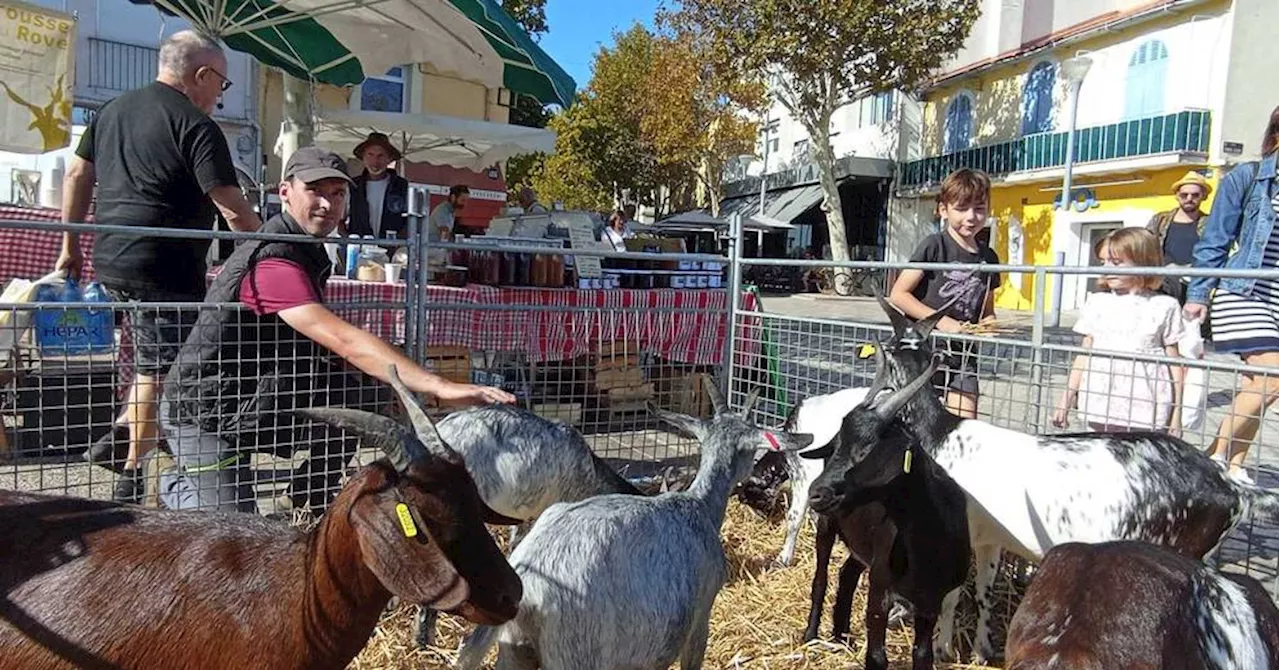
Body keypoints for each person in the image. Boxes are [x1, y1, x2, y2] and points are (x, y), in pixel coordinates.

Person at [156, 147, 515, 514]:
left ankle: (304, 497)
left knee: (365, 393)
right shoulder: (273, 259)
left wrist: (393, 383)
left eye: (338, 193)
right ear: (285, 192)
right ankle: (174, 487)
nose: (328, 204)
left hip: (257, 394)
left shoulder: (303, 248)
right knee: (236, 534)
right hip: (205, 412)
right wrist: (440, 385)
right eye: (316, 190)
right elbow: (343, 339)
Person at [56, 30, 263, 503]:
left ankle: (120, 438)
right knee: (161, 368)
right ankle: (132, 472)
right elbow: (231, 206)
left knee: (155, 355)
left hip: (112, 260)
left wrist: (70, 245)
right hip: (163, 267)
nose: (220, 97)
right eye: (222, 86)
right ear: (203, 75)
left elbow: (75, 174)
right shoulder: (195, 124)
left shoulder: (111, 110)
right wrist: (266, 248)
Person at [1184, 105, 1280, 484]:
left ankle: (1234, 464)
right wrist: (1199, 294)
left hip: (1277, 299)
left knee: (1258, 387)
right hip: (1243, 291)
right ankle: (1210, 459)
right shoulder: (1249, 176)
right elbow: (1216, 239)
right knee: (1273, 377)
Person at [889, 168, 1001, 419]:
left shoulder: (989, 257)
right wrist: (942, 322)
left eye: (979, 208)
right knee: (918, 421)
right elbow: (899, 295)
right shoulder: (933, 246)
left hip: (964, 353)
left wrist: (990, 325)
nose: (971, 217)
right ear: (943, 210)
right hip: (922, 350)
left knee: (964, 423)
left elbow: (987, 309)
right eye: (961, 208)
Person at [1052, 228, 1186, 435]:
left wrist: (1176, 415)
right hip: (1100, 399)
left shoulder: (1164, 306)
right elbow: (1085, 353)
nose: (1107, 269)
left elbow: (1175, 363)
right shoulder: (1097, 302)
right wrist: (1066, 398)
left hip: (1145, 403)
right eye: (1103, 262)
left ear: (1143, 262)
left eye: (1116, 263)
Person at [1146, 171, 1213, 305]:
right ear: (1177, 196)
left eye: (1195, 195)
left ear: (1204, 197)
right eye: (1184, 195)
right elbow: (1145, 246)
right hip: (1163, 283)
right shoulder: (1160, 220)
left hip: (1195, 285)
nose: (1189, 198)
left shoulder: (1211, 224)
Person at [346, 131, 409, 240]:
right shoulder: (353, 185)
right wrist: (350, 243)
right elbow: (340, 221)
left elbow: (410, 222)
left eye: (381, 156)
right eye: (370, 155)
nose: (375, 161)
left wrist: (397, 244)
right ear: (363, 157)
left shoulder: (401, 186)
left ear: (389, 159)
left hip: (391, 251)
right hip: (359, 251)